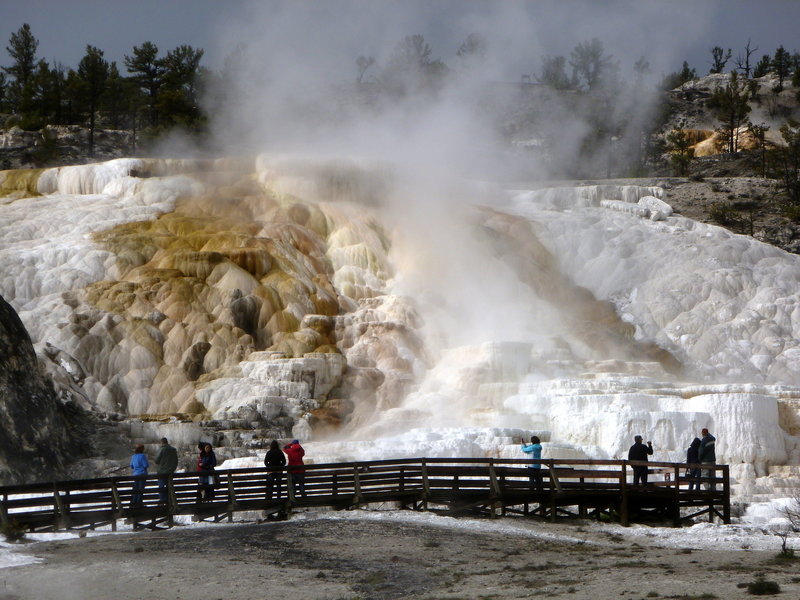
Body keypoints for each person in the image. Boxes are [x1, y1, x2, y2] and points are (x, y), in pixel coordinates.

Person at [154, 437, 178, 505]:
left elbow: (156, 460)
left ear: (162, 442)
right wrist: (172, 469)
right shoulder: (173, 450)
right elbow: (176, 461)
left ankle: (162, 501)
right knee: (169, 487)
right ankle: (169, 501)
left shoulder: (161, 450)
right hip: (170, 472)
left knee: (161, 487)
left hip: (161, 472)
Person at [129, 444, 149, 508]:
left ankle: (134, 503)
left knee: (136, 489)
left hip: (135, 475)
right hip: (142, 474)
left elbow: (131, 466)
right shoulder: (142, 456)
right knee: (140, 490)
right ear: (142, 449)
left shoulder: (133, 456)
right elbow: (146, 465)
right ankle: (139, 503)